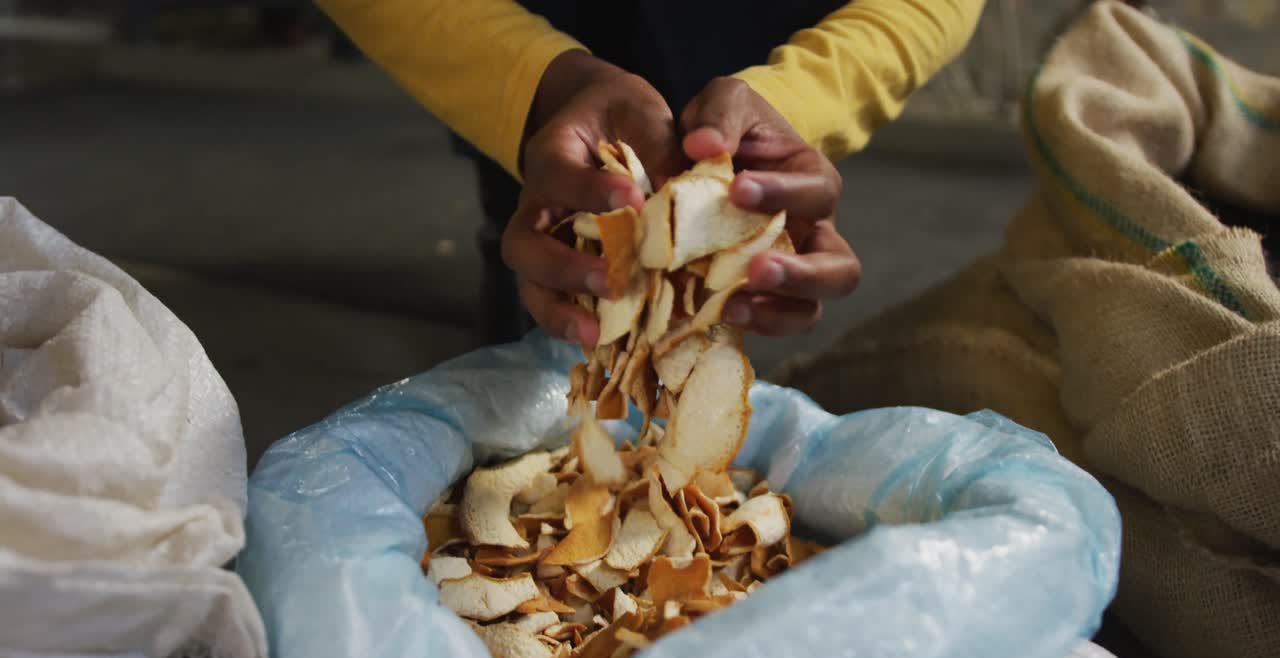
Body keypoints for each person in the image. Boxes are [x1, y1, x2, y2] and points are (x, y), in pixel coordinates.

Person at [314, 1, 986, 344]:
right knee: (545, 250)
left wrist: (797, 104)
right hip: (527, 23)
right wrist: (532, 88)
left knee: (707, 314)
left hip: (758, 28)